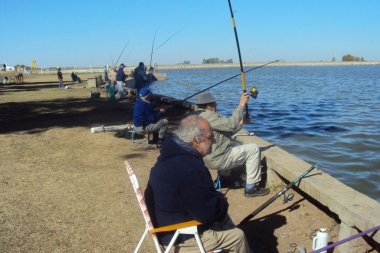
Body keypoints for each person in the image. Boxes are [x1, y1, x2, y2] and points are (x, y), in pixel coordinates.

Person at [145, 115, 252, 252]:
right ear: (196, 141)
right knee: (237, 237)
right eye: (210, 138)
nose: (213, 142)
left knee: (224, 218)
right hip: (177, 236)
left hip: (166, 222)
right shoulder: (188, 168)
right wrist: (221, 200)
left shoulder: (172, 154)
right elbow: (209, 213)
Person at [194, 91, 270, 198]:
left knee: (229, 144)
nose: (216, 105)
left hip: (205, 159)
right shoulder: (209, 116)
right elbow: (230, 125)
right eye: (214, 103)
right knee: (253, 148)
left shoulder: (197, 116)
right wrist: (241, 104)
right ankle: (251, 188)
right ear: (209, 105)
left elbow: (226, 131)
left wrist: (241, 123)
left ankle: (225, 179)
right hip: (216, 159)